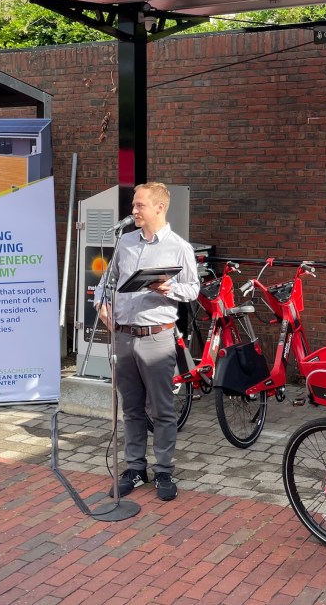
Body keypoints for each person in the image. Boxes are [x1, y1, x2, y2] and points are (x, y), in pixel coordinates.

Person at [95, 182, 200, 501]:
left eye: (139, 205)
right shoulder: (124, 242)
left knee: (162, 409)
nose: (133, 211)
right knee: (131, 407)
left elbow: (193, 289)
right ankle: (136, 469)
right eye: (133, 205)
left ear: (159, 207)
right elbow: (105, 283)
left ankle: (165, 471)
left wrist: (169, 289)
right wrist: (100, 303)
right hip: (123, 336)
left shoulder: (180, 247)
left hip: (157, 337)